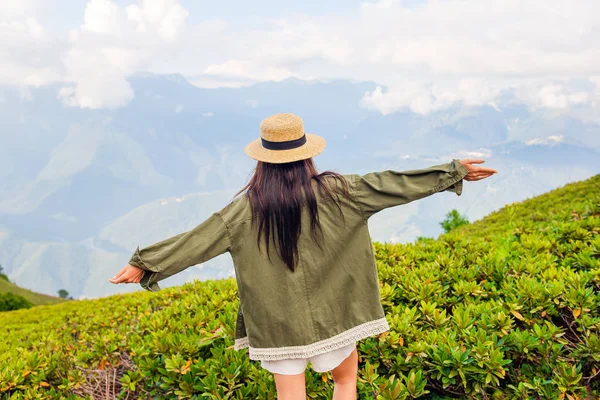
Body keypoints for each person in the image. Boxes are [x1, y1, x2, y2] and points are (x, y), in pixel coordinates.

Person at [109, 112, 497, 399]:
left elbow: (194, 241)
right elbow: (395, 184)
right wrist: (452, 172)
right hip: (337, 315)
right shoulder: (343, 191)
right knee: (345, 381)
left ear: (262, 159)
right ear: (306, 153)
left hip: (278, 324)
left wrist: (144, 263)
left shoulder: (243, 211)